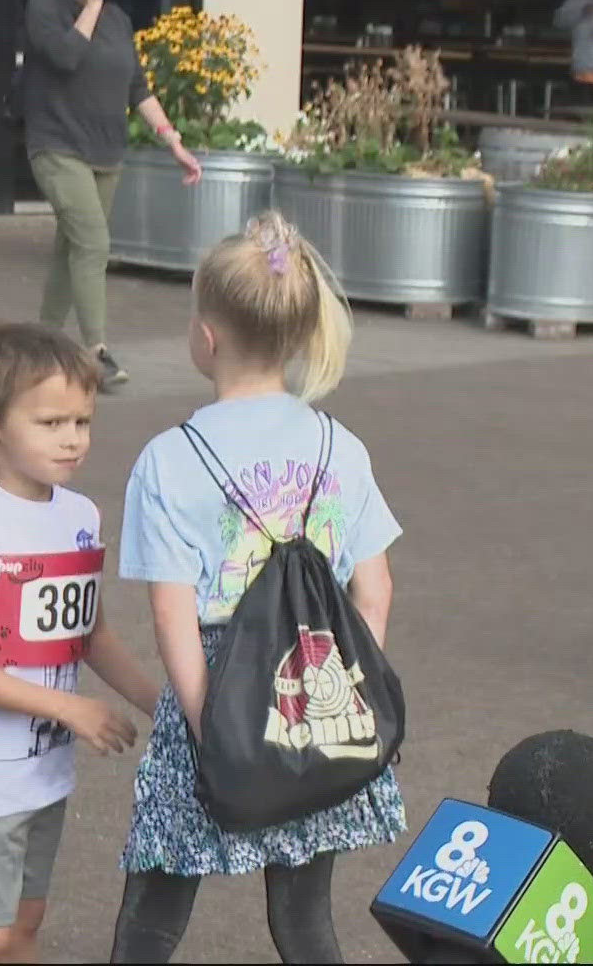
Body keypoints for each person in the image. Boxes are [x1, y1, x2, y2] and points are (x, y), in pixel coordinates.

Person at [108, 211, 404, 963]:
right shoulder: (344, 445)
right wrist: (341, 693)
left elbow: (173, 618)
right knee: (305, 922)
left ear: (205, 337)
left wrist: (214, 731)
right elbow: (375, 591)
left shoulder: (171, 459)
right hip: (315, 697)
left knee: (155, 911)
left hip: (216, 693)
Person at [0, 322, 158, 963]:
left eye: (82, 421)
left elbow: (92, 634)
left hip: (43, 771)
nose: (73, 439)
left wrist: (163, 703)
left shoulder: (80, 516)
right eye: (50, 423)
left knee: (23, 931)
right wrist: (71, 709)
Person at [24, 0, 202, 391]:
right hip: (57, 145)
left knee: (73, 249)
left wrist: (172, 140)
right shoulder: (45, 8)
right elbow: (64, 56)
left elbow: (137, 88)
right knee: (93, 243)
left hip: (107, 150)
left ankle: (39, 345)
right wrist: (92, 6)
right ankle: (94, 352)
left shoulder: (120, 21)